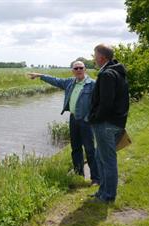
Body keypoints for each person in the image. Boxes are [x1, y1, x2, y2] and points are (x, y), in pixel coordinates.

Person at [28, 61, 99, 185]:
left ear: (85, 69)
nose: (78, 70)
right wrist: (39, 75)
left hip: (86, 121)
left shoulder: (92, 84)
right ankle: (79, 174)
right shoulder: (69, 83)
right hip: (73, 119)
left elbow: (98, 104)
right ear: (72, 71)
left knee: (89, 149)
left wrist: (89, 118)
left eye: (80, 68)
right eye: (76, 68)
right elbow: (55, 80)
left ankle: (95, 178)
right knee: (75, 148)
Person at [89, 44, 130, 203]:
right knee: (101, 158)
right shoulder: (118, 72)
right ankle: (102, 191)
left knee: (107, 161)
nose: (93, 58)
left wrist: (94, 118)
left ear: (101, 57)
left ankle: (108, 196)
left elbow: (106, 104)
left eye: (94, 55)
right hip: (115, 122)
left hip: (106, 124)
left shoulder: (107, 75)